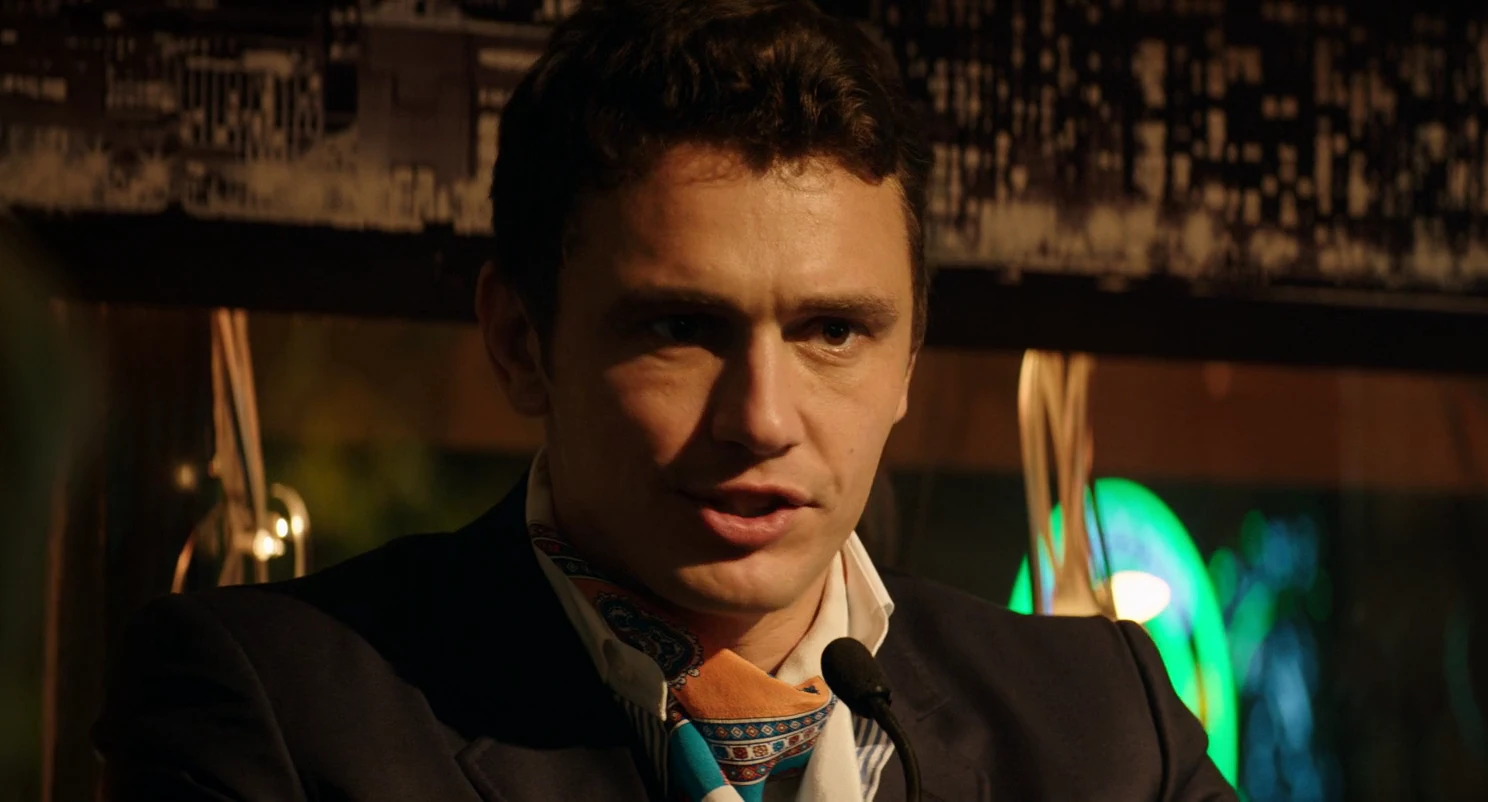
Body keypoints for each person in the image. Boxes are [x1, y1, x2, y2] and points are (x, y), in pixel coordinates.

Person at [94, 1, 1235, 799]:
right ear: (520, 341)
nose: (763, 418)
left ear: (909, 360)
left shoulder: (1108, 725)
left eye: (834, 331)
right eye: (680, 330)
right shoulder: (274, 707)